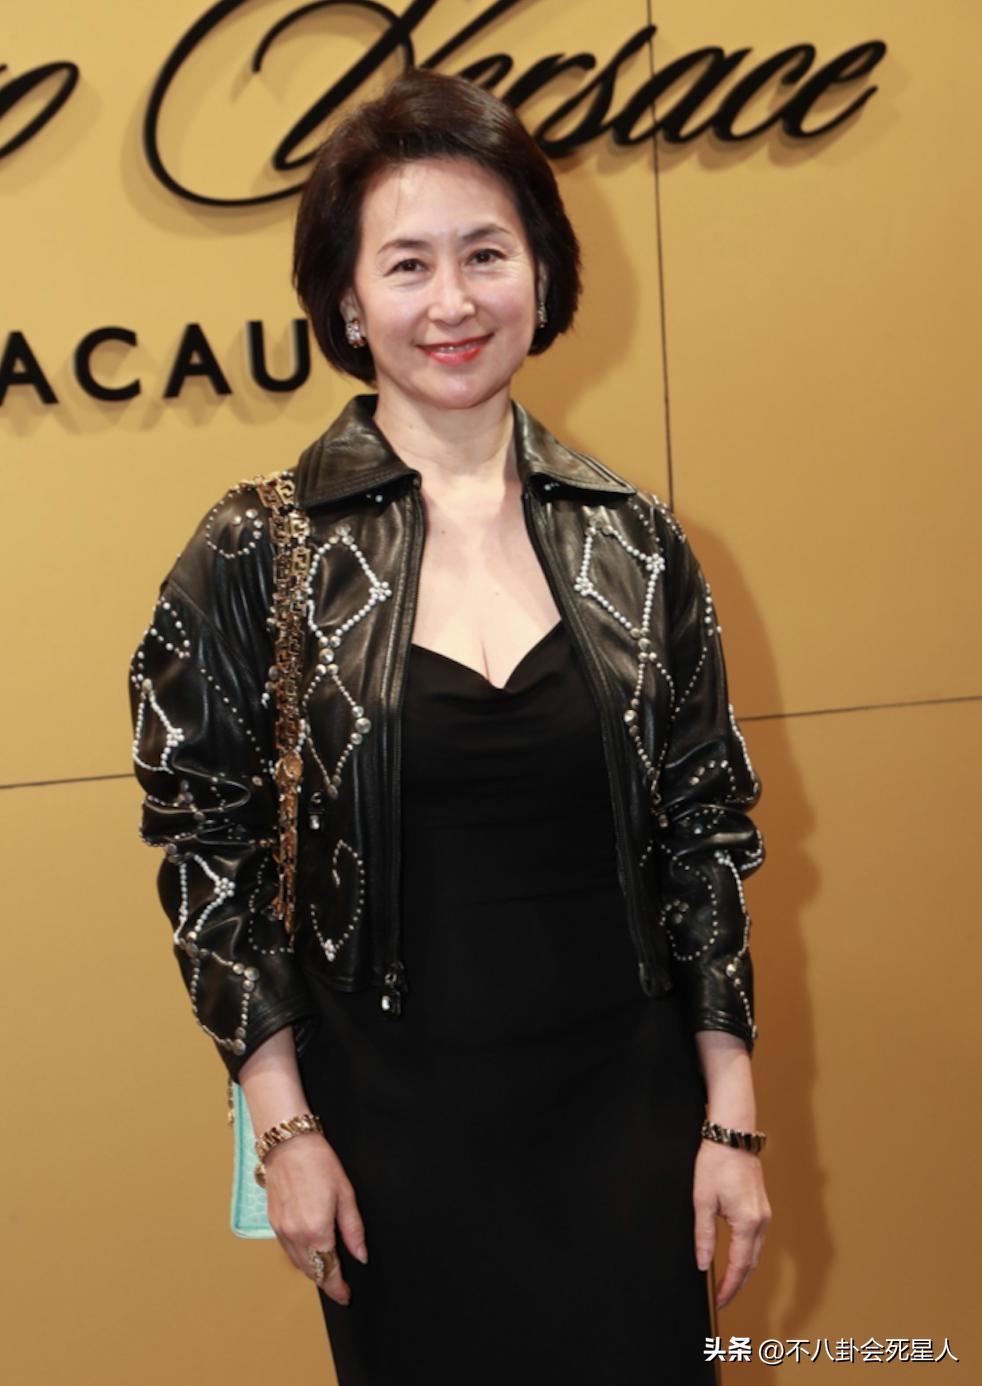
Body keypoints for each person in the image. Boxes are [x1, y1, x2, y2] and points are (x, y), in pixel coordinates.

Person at [128, 67, 771, 1386]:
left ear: (540, 268)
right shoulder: (259, 549)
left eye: (486, 253)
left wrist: (731, 1115)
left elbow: (704, 833)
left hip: (628, 1114)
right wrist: (283, 1126)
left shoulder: (637, 541)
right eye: (408, 264)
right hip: (387, 1134)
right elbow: (207, 852)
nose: (454, 301)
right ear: (346, 300)